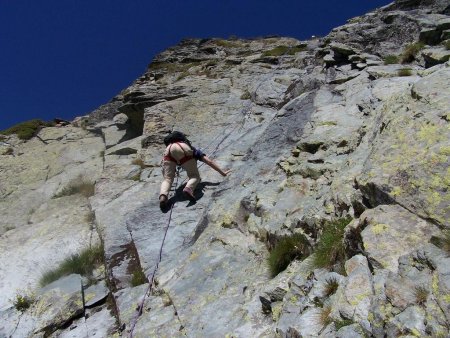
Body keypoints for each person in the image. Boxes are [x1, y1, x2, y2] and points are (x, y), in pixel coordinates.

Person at [159, 131, 231, 210]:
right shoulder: (191, 148)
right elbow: (209, 162)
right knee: (194, 176)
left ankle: (163, 196)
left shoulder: (169, 146)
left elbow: (165, 171)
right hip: (182, 149)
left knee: (168, 179)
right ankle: (188, 189)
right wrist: (222, 172)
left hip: (167, 151)